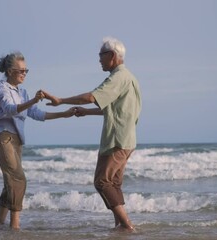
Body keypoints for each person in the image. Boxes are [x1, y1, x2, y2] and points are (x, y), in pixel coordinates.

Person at [42, 37, 142, 231]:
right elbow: (115, 109)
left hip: (116, 139)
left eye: (100, 55)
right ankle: (120, 226)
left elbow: (91, 97)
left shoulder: (118, 77)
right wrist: (87, 112)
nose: (99, 60)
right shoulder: (130, 78)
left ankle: (127, 225)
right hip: (127, 139)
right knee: (113, 183)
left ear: (112, 56)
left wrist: (61, 100)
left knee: (102, 182)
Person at [0, 52, 75, 230]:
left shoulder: (23, 92)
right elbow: (11, 109)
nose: (24, 74)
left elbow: (36, 114)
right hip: (2, 136)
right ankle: (15, 227)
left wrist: (64, 114)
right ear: (9, 71)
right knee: (18, 178)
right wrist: (33, 100)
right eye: (21, 70)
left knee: (10, 181)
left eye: (26, 71)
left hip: (17, 139)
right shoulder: (2, 89)